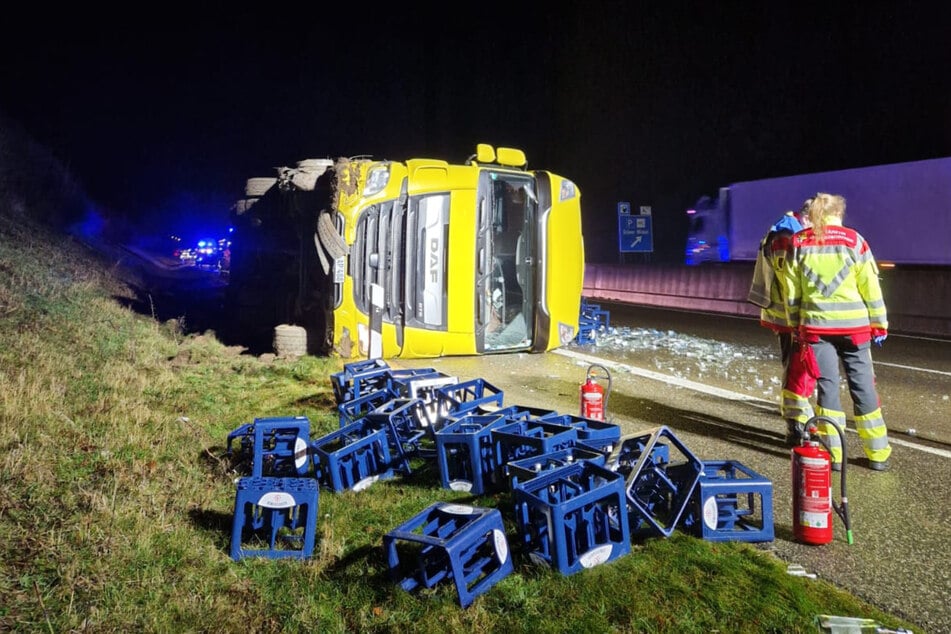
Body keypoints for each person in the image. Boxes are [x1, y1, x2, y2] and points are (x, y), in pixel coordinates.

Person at [783, 193, 892, 471]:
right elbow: (870, 285)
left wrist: (796, 325)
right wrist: (879, 322)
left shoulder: (799, 243)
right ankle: (878, 455)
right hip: (855, 329)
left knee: (827, 388)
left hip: (816, 329)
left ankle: (835, 455)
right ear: (838, 214)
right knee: (864, 387)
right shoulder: (854, 241)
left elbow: (792, 293)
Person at [747, 203, 814, 444]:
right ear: (809, 217)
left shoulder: (788, 231)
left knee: (801, 368)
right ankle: (796, 426)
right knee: (797, 369)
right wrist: (800, 319)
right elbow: (790, 283)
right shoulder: (787, 236)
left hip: (788, 316)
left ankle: (801, 421)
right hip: (790, 317)